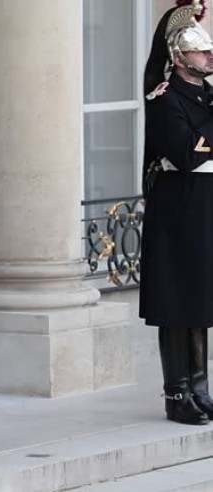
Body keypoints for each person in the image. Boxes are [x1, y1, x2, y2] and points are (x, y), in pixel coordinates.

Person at [140, 0, 213, 426]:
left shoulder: (205, 96)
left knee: (199, 298)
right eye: (201, 51)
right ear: (181, 58)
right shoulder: (165, 98)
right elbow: (187, 154)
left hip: (203, 202)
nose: (209, 56)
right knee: (177, 302)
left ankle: (200, 388)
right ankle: (177, 393)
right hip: (178, 204)